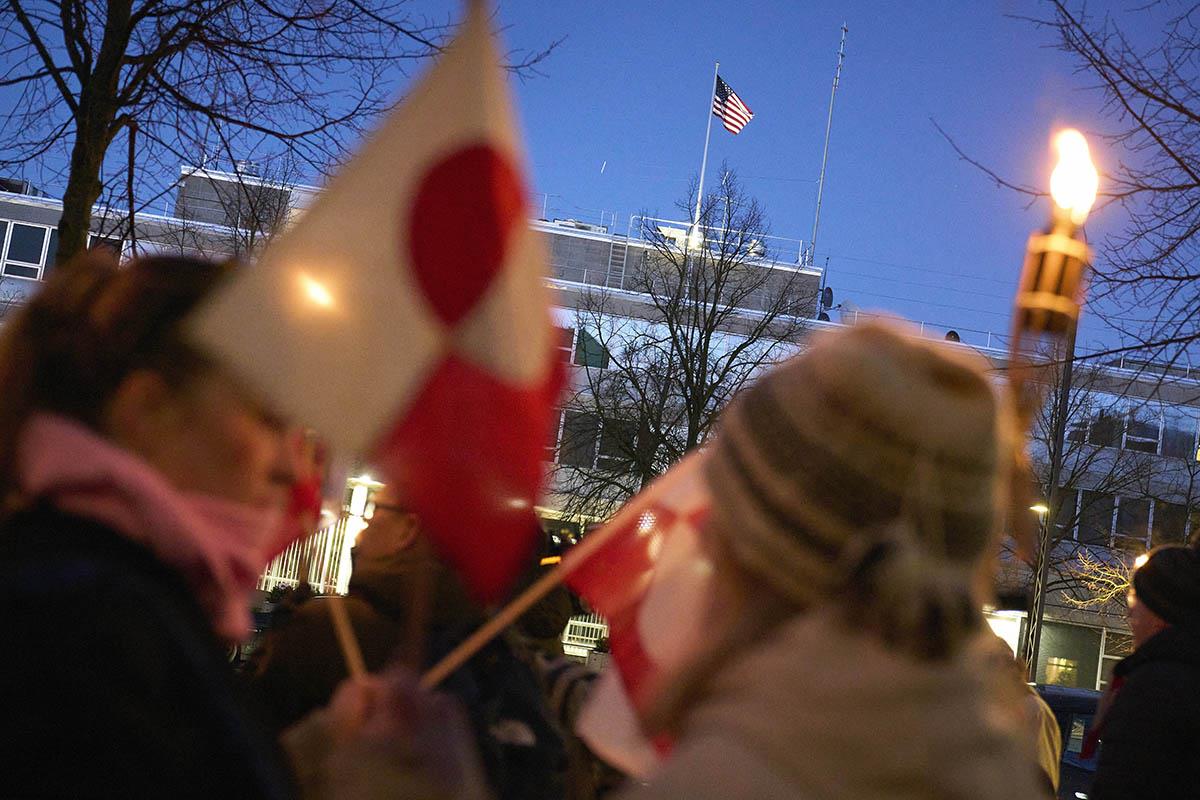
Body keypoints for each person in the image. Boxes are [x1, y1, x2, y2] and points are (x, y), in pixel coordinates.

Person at [614, 320, 1045, 798]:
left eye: (724, 508)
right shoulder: (995, 764)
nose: (705, 535)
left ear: (774, 550)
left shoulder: (723, 779)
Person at [0, 252, 306, 797]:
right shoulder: (82, 630)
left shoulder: (102, 597)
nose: (291, 468)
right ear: (147, 411)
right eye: (268, 419)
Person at [249, 486, 568, 800]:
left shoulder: (325, 629)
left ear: (408, 530)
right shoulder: (494, 654)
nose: (360, 532)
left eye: (374, 512)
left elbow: (245, 758)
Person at [1086, 544, 1200, 799]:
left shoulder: (1153, 687)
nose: (1129, 612)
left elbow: (1123, 783)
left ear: (1160, 612)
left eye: (1136, 598)